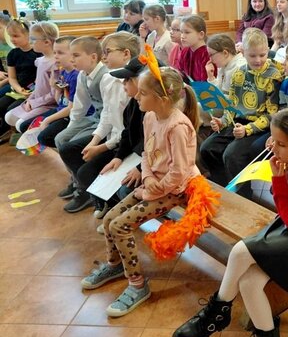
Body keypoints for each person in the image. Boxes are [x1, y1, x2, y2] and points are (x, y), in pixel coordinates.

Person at [172, 107, 288, 337]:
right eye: (273, 140)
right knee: (249, 281)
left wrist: (278, 180)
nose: (273, 147)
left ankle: (217, 310)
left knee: (241, 251)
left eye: (281, 144)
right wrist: (282, 174)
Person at [81, 66, 215, 317]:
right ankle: (115, 265)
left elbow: (179, 173)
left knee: (120, 226)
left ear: (162, 99)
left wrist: (151, 191)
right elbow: (147, 154)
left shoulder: (178, 127)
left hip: (177, 188)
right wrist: (148, 177)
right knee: (109, 219)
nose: (136, 96)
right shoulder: (150, 117)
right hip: (155, 183)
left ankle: (137, 285)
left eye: (142, 93)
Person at [57, 33, 137, 214]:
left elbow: (128, 131)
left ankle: (108, 202)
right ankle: (96, 195)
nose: (104, 56)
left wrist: (101, 148)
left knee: (87, 172)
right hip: (112, 138)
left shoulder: (133, 85)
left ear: (126, 54)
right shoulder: (108, 78)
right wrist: (94, 142)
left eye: (107, 52)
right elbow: (106, 116)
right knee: (68, 149)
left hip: (125, 143)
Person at [200, 28, 282, 188]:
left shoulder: (274, 76)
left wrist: (247, 129)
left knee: (232, 155)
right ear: (243, 52)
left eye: (262, 55)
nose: (258, 60)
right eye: (252, 56)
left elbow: (272, 115)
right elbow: (231, 105)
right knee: (207, 148)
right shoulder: (239, 74)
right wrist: (223, 121)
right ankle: (223, 187)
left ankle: (242, 195)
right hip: (238, 122)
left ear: (268, 50)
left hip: (259, 127)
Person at [92, 57, 148, 230]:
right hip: (138, 156)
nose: (123, 84)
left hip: (150, 161)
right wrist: (118, 157)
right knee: (98, 171)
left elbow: (156, 145)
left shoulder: (152, 109)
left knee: (125, 189)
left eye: (127, 80)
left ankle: (128, 221)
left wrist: (140, 168)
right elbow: (127, 133)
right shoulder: (134, 104)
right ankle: (113, 210)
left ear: (141, 81)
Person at [4, 22, 58, 132]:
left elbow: (53, 96)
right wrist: (29, 100)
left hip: (48, 105)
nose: (30, 41)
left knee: (20, 124)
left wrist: (34, 103)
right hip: (36, 100)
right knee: (9, 117)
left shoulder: (56, 64)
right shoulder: (40, 61)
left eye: (33, 39)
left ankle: (35, 137)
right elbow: (37, 87)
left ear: (46, 42)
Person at [0, 15, 41, 140]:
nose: (12, 39)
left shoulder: (38, 53)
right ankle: (7, 131)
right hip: (18, 90)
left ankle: (16, 132)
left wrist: (31, 92)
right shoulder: (13, 54)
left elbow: (42, 77)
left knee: (11, 109)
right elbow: (12, 78)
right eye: (10, 36)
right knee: (1, 105)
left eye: (16, 36)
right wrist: (19, 89)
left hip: (34, 91)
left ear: (28, 35)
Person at [37, 36, 81, 147]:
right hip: (62, 109)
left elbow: (71, 108)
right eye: (54, 52)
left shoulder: (76, 76)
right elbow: (60, 101)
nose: (55, 56)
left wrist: (47, 120)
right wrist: (56, 88)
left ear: (73, 55)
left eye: (60, 53)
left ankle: (65, 149)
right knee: (28, 126)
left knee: (44, 137)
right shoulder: (63, 72)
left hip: (71, 115)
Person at [178, 15, 210, 82]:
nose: (182, 36)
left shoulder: (207, 54)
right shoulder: (184, 51)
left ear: (201, 34)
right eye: (181, 32)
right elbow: (181, 74)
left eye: (187, 32)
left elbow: (206, 83)